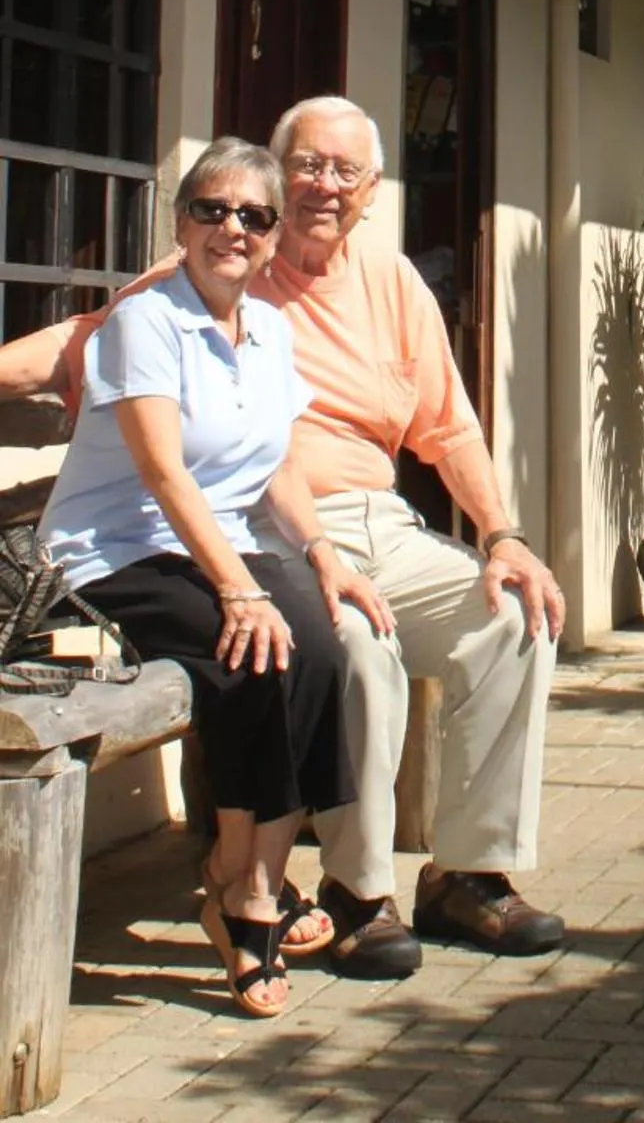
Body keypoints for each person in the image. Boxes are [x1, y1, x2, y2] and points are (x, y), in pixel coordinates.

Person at [6, 96, 564, 980]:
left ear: (372, 190)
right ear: (273, 170)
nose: (322, 188)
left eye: (345, 172)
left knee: (512, 622)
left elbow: (449, 429)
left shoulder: (391, 283)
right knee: (358, 645)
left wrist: (503, 533)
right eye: (306, 165)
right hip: (267, 529)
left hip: (379, 520)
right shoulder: (224, 260)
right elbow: (81, 343)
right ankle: (358, 892)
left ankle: (468, 873)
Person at [39, 139, 389, 1019]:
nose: (232, 229)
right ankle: (250, 902)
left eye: (254, 217)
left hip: (216, 543)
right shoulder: (144, 321)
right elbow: (165, 475)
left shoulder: (270, 327)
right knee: (254, 651)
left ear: (274, 239)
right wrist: (240, 587)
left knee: (320, 645)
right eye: (212, 210)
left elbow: (276, 468)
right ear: (182, 222)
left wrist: (319, 555)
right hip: (113, 551)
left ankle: (243, 882)